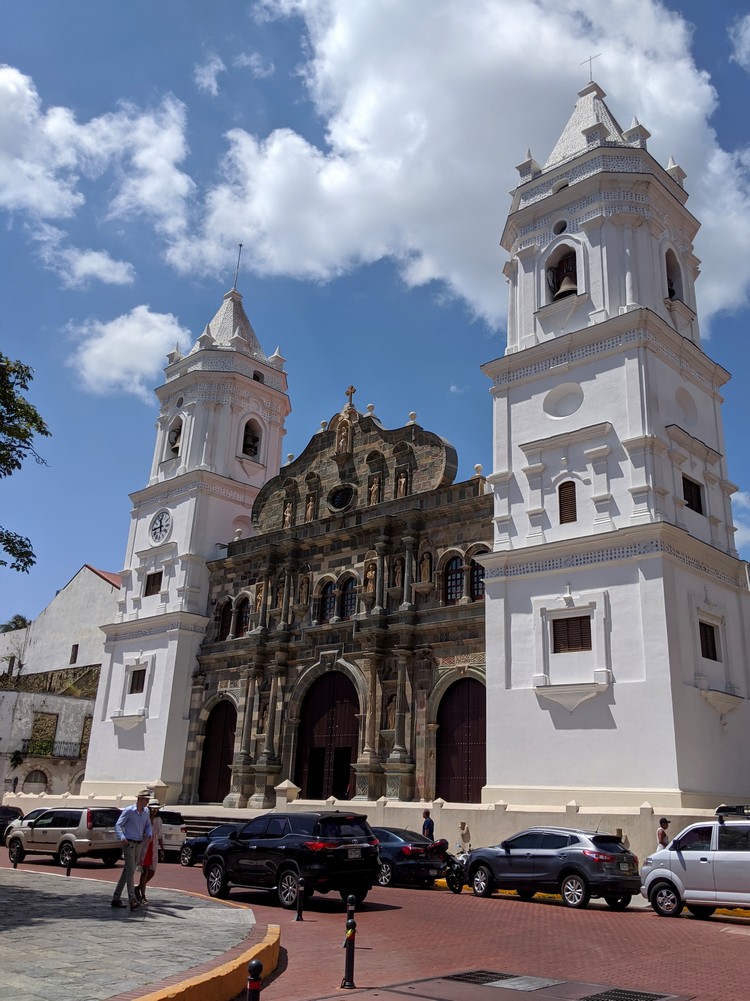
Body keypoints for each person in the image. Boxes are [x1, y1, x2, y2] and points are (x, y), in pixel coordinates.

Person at [111, 790, 153, 910]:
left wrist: (149, 833)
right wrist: (122, 837)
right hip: (129, 842)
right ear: (139, 799)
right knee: (131, 871)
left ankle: (116, 897)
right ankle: (131, 899)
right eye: (146, 799)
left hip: (139, 843)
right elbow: (118, 825)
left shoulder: (146, 812)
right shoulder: (129, 811)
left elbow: (148, 825)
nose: (147, 802)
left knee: (128, 870)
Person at [136, 801, 165, 904]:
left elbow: (160, 835)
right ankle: (143, 895)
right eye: (152, 808)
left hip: (153, 848)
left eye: (156, 809)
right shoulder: (144, 819)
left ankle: (138, 888)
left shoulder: (159, 820)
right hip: (145, 847)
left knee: (152, 872)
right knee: (145, 872)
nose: (154, 810)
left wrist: (162, 848)